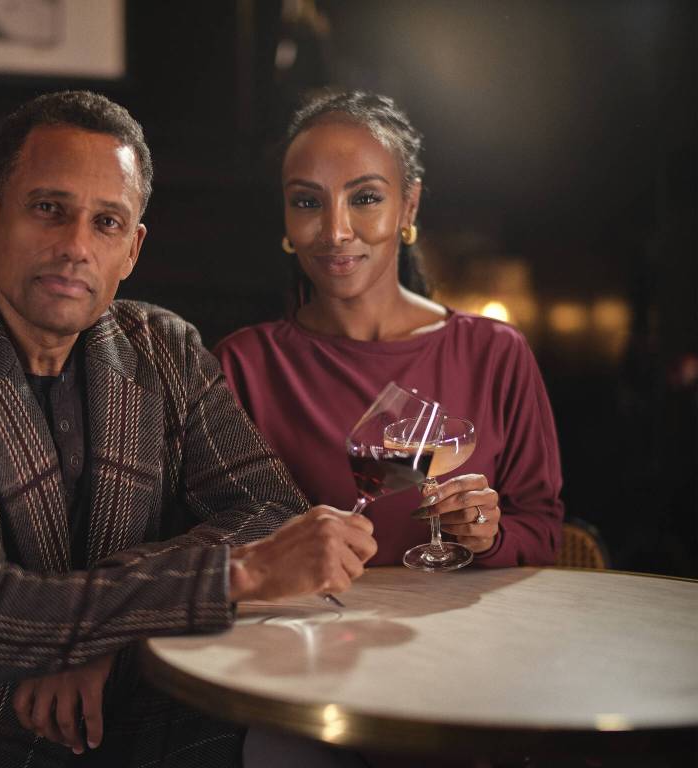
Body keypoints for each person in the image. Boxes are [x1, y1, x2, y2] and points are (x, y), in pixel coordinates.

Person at [0, 90, 377, 768]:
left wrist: (99, 640)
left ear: (131, 250)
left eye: (106, 222)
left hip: (133, 724)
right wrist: (234, 573)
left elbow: (272, 510)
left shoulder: (166, 347)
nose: (75, 246)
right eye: (49, 209)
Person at [214, 90, 564, 569]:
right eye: (307, 201)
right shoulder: (244, 366)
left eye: (365, 198)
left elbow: (544, 532)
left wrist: (491, 536)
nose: (335, 231)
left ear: (409, 207)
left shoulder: (495, 353)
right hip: (311, 636)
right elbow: (217, 543)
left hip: (469, 638)